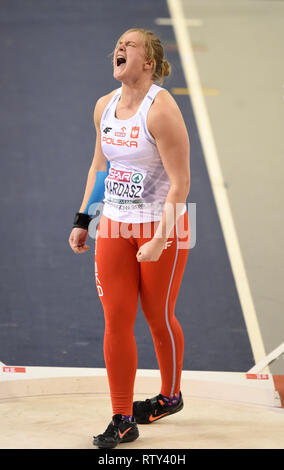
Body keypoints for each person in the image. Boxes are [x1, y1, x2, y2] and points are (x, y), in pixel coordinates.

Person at [68, 28, 190, 449]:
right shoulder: (103, 107)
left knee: (158, 316)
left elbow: (180, 183)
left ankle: (170, 396)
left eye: (130, 45)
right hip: (115, 226)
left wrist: (159, 239)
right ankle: (122, 419)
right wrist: (84, 219)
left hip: (163, 227)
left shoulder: (162, 110)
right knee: (116, 319)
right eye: (118, 45)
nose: (119, 49)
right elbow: (99, 169)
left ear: (149, 62)